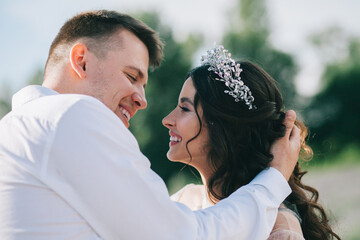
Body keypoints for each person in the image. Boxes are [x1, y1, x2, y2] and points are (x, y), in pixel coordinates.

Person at [0, 11, 299, 239]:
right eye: (132, 77)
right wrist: (272, 180)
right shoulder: (71, 116)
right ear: (82, 61)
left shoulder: (15, 129)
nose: (142, 100)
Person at [163, 45, 341, 240]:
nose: (167, 120)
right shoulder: (185, 201)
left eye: (184, 108)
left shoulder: (279, 230)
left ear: (223, 127)